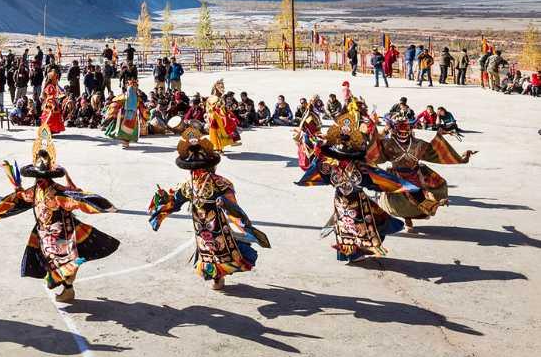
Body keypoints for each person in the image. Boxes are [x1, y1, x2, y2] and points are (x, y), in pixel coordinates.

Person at [0, 130, 119, 303]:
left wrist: (99, 204)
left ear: (49, 177)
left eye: (43, 177)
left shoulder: (58, 192)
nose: (40, 180)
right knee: (51, 260)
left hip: (61, 232)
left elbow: (76, 201)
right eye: (37, 177)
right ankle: (67, 290)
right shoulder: (35, 190)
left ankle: (62, 281)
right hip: (43, 231)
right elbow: (21, 199)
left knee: (59, 262)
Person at [148, 129, 269, 290]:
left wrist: (225, 203)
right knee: (214, 249)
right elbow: (175, 201)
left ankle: (217, 278)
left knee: (214, 248)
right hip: (206, 225)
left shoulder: (194, 184)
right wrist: (163, 201)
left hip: (210, 224)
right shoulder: (216, 183)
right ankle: (218, 277)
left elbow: (175, 202)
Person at [296, 116, 420, 262]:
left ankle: (350, 254)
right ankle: (356, 253)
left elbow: (315, 168)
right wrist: (401, 186)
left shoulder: (328, 165)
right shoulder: (359, 167)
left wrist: (312, 146)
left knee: (346, 225)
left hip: (340, 200)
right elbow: (375, 181)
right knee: (363, 224)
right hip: (356, 200)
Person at [368, 115, 476, 232]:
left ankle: (425, 209)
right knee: (402, 201)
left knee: (420, 198)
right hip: (397, 177)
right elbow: (373, 152)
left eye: (406, 131)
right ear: (394, 130)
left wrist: (462, 158)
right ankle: (408, 220)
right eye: (400, 131)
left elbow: (435, 153)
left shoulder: (418, 144)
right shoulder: (388, 144)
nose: (403, 134)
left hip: (416, 175)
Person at [102, 78, 141, 149]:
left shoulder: (136, 97)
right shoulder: (125, 96)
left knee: (128, 129)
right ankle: (125, 142)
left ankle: (126, 142)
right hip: (125, 115)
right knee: (124, 129)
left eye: (135, 86)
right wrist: (112, 112)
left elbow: (140, 106)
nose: (134, 88)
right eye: (132, 87)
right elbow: (116, 102)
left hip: (132, 116)